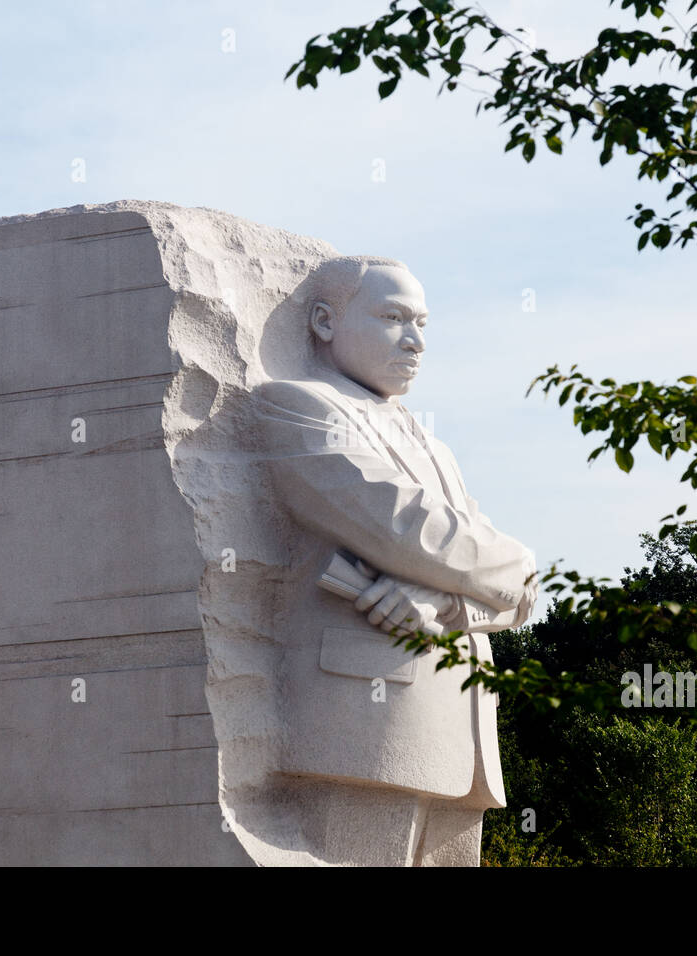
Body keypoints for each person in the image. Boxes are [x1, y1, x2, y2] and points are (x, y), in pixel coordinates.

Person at [249, 255, 537, 866]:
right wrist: (516, 562)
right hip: (365, 728)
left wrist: (444, 599)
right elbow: (404, 528)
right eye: (393, 318)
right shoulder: (299, 406)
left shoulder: (434, 446)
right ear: (325, 322)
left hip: (461, 736)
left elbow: (523, 593)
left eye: (423, 324)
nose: (415, 341)